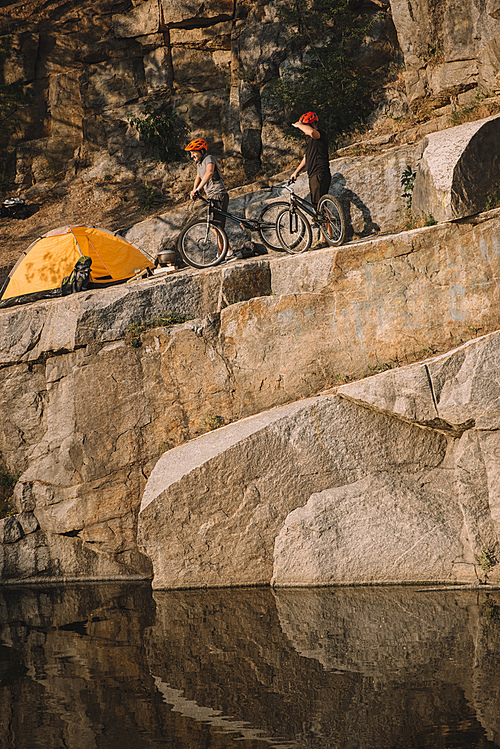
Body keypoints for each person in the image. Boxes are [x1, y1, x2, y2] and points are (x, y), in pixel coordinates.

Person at [185, 138, 232, 256]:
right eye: (191, 153)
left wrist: (199, 189)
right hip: (212, 196)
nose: (192, 156)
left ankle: (223, 253)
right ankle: (227, 251)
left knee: (218, 226)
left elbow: (209, 172)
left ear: (201, 150)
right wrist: (194, 189)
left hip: (219, 194)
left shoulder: (209, 158)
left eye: (193, 152)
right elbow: (198, 176)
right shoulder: (199, 164)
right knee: (214, 227)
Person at [290, 112, 331, 209]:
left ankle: (329, 224)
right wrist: (296, 172)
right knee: (318, 206)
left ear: (313, 124)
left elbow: (312, 132)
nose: (303, 131)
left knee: (319, 207)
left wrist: (299, 125)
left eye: (305, 127)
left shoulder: (319, 134)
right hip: (313, 174)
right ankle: (322, 223)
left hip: (319, 173)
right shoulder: (309, 139)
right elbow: (307, 157)